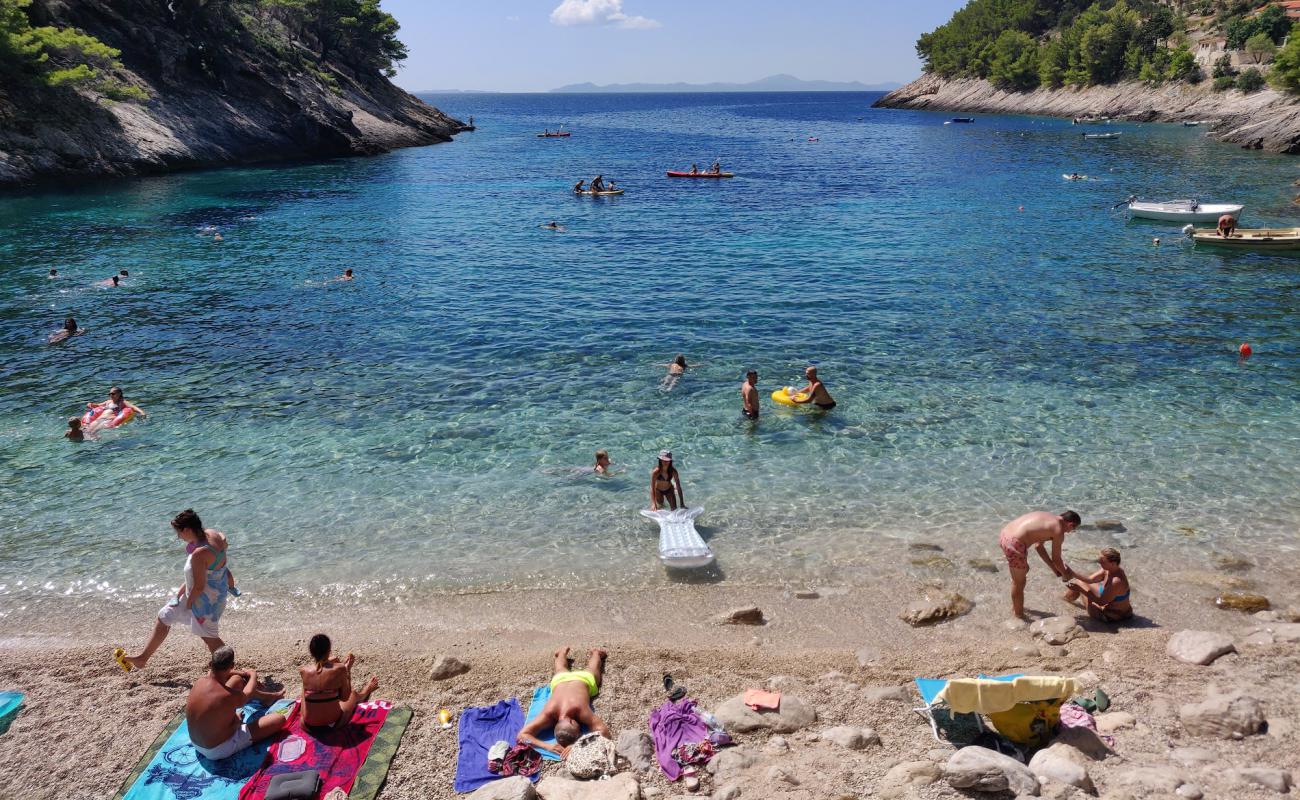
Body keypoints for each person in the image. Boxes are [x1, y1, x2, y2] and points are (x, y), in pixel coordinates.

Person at [116, 509, 236, 671]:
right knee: (165, 615)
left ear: (187, 529)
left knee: (209, 637)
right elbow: (222, 540)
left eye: (178, 533)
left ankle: (229, 667)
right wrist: (179, 597)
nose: (178, 537)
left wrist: (189, 605)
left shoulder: (199, 554)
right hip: (197, 590)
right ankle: (142, 659)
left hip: (207, 600)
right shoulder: (213, 534)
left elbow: (199, 586)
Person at [187, 646, 287, 761]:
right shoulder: (227, 695)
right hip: (216, 750)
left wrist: (244, 674)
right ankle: (267, 700)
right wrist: (253, 675)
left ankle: (268, 698)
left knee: (237, 680)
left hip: (196, 742)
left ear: (210, 664)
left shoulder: (200, 681)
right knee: (279, 719)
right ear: (232, 666)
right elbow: (247, 693)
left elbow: (231, 678)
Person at [516, 647, 610, 757]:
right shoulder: (548, 714)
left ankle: (596, 653)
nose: (579, 723)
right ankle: (561, 653)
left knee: (592, 671)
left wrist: (577, 744)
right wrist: (548, 746)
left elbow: (605, 733)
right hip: (560, 680)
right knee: (560, 670)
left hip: (583, 680)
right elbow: (521, 736)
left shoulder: (578, 710)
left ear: (572, 722)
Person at [998, 510, 1081, 618]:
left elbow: (1039, 546)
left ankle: (1016, 605)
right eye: (1072, 529)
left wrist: (1054, 569)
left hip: (1004, 534)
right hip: (1014, 543)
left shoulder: (1048, 518)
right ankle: (1018, 615)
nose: (1069, 532)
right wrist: (1065, 574)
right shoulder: (1058, 530)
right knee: (1018, 582)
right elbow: (1057, 559)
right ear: (1071, 524)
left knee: (1024, 570)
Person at [299, 634, 379, 729]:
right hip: (332, 724)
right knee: (352, 694)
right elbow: (345, 698)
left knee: (307, 689)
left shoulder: (304, 671)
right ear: (329, 650)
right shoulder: (340, 669)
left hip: (307, 725)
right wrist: (347, 670)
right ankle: (366, 692)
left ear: (311, 652)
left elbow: (318, 670)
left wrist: (328, 662)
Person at [1063, 547, 1132, 622]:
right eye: (1099, 560)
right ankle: (1065, 600)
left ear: (1113, 563)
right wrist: (1072, 573)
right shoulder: (1109, 570)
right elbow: (1090, 580)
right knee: (1078, 582)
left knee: (1079, 585)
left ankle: (1065, 602)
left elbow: (1101, 602)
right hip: (1108, 601)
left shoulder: (1116, 581)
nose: (1099, 562)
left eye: (1102, 561)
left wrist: (1081, 589)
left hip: (1112, 616)